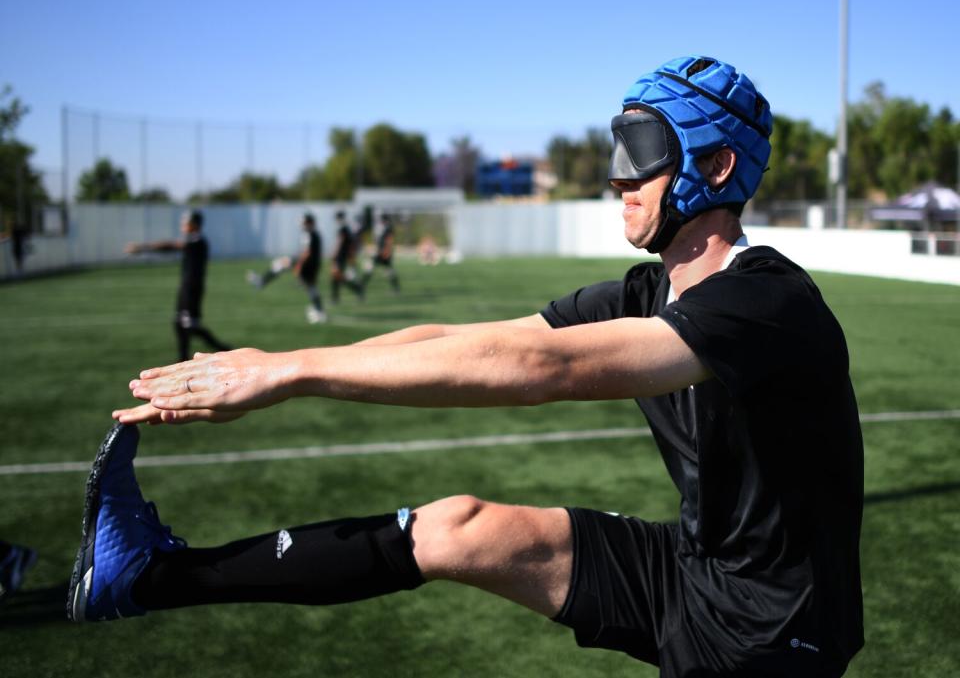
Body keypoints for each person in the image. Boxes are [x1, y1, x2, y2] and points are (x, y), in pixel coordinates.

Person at [68, 57, 864, 677]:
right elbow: (464, 335)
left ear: (718, 167)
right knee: (455, 529)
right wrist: (274, 367)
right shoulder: (646, 290)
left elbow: (540, 365)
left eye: (644, 150)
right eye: (616, 147)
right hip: (695, 570)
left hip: (774, 629)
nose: (618, 177)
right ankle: (148, 576)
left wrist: (293, 372)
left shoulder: (767, 304)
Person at [126, 209, 233, 362]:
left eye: (186, 222)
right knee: (178, 324)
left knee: (190, 325)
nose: (182, 224)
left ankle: (226, 350)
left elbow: (171, 245)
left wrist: (143, 247)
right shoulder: (192, 240)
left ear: (195, 224)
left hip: (192, 290)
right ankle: (182, 360)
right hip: (185, 288)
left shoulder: (197, 240)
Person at [247, 212, 327, 324]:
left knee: (310, 287)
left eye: (304, 222)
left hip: (308, 265)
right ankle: (262, 280)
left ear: (310, 222)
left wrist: (299, 266)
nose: (302, 225)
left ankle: (319, 311)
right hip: (309, 264)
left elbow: (307, 253)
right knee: (279, 264)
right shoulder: (312, 233)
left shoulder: (311, 234)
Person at [330, 210, 364, 303]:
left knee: (337, 276)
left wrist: (335, 253)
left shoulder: (343, 228)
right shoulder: (346, 228)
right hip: (342, 256)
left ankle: (357, 289)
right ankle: (336, 297)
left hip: (341, 256)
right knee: (335, 276)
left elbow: (340, 242)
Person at [361, 213, 400, 292]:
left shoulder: (388, 228)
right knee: (389, 271)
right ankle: (396, 288)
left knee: (370, 266)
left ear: (384, 220)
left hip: (383, 253)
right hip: (382, 253)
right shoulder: (385, 228)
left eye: (382, 220)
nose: (381, 222)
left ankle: (361, 286)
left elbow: (389, 241)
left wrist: (386, 252)